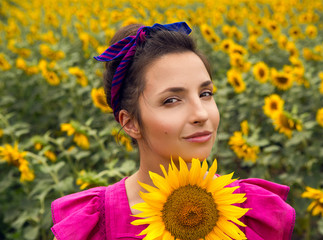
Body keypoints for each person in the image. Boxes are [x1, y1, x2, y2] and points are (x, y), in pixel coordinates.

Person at [51, 22, 295, 240]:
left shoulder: (251, 213)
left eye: (205, 94)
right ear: (130, 123)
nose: (201, 114)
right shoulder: (92, 226)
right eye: (171, 100)